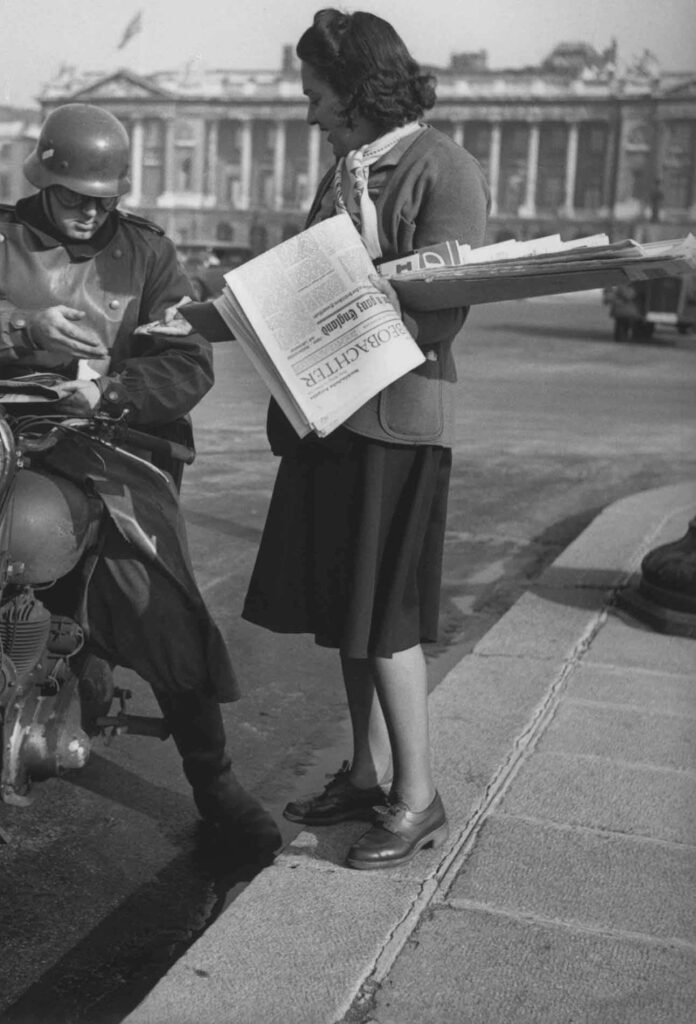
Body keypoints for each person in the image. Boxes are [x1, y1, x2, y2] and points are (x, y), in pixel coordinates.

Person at [0, 103, 280, 859]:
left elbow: (187, 360)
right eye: (75, 197)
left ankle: (215, 781)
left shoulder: (147, 253)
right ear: (44, 179)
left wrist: (110, 391)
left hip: (109, 440)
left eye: (104, 198)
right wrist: (23, 327)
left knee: (161, 599)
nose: (90, 212)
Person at [242, 10, 489, 869]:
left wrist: (347, 297)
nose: (309, 112)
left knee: (385, 620)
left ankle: (418, 797)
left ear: (357, 88)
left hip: (394, 422)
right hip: (329, 417)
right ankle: (365, 770)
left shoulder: (444, 167)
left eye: (318, 95)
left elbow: (443, 312)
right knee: (348, 614)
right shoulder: (347, 169)